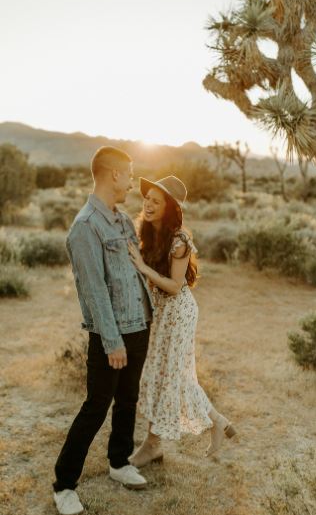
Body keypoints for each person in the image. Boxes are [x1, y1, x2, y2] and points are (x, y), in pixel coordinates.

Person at [53, 146, 154, 515]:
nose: (131, 181)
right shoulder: (85, 227)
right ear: (113, 175)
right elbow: (94, 291)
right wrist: (112, 341)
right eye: (128, 174)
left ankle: (119, 462)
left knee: (128, 400)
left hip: (138, 326)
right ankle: (64, 485)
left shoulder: (123, 220)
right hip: (110, 335)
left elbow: (132, 271)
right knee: (96, 406)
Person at [127, 175, 236, 468]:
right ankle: (217, 422)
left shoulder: (179, 240)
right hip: (160, 311)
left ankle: (152, 445)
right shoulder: (147, 233)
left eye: (156, 201)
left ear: (170, 206)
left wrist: (141, 267)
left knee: (166, 376)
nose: (148, 205)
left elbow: (175, 286)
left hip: (178, 312)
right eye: (146, 199)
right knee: (169, 375)